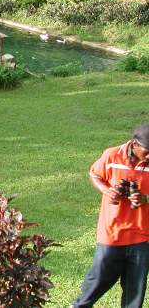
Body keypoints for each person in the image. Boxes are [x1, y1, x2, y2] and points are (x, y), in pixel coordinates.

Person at [72, 124, 149, 308]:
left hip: (142, 237)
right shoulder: (112, 155)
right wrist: (108, 192)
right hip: (111, 234)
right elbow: (94, 174)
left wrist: (145, 198)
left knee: (134, 294)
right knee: (95, 284)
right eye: (147, 152)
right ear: (134, 144)